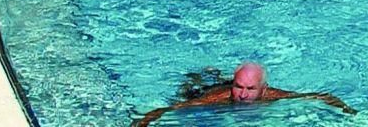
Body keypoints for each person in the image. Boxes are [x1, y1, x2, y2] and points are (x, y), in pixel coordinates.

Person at [131, 62, 353, 126]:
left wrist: (348, 112)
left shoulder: (273, 95)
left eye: (250, 89)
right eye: (238, 87)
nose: (243, 96)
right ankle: (204, 75)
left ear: (263, 90)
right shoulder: (218, 99)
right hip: (206, 92)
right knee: (188, 91)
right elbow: (168, 110)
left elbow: (320, 96)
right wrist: (141, 122)